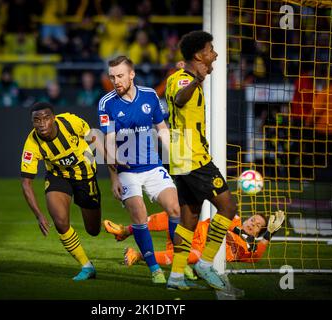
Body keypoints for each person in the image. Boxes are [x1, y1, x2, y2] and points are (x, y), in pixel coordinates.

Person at [98, 56, 180, 284]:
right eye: (112, 76)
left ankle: (181, 262)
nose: (115, 81)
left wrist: (174, 156)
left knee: (175, 208)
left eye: (120, 76)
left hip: (153, 166)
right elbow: (109, 142)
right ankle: (154, 268)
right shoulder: (107, 103)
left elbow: (161, 127)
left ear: (131, 74)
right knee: (139, 215)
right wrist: (114, 178)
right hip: (127, 171)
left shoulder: (150, 95)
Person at [165, 30, 237, 290]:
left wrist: (200, 77)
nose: (215, 54)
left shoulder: (185, 77)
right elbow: (180, 98)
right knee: (228, 207)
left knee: (190, 219)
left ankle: (175, 277)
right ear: (198, 55)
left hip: (181, 157)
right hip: (193, 158)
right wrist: (197, 78)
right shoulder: (182, 79)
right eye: (210, 50)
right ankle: (206, 263)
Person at [20, 102, 101, 281]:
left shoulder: (70, 122)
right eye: (36, 120)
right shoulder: (32, 143)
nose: (41, 124)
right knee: (60, 221)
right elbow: (26, 182)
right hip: (58, 176)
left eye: (46, 118)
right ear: (32, 122)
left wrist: (93, 159)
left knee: (93, 230)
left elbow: (93, 137)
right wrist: (38, 215)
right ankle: (87, 266)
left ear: (54, 118)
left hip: (85, 176)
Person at [103, 210, 285, 267]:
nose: (252, 224)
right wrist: (239, 230)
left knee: (194, 256)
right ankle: (126, 230)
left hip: (196, 251)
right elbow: (227, 221)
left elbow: (257, 257)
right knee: (175, 214)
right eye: (252, 219)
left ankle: (139, 256)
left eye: (257, 226)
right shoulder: (235, 220)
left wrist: (269, 234)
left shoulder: (246, 248)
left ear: (258, 233)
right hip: (193, 232)